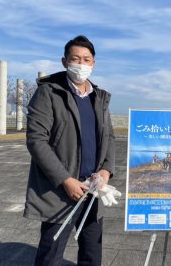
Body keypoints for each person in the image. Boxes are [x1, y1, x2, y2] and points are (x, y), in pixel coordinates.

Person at [24, 35, 116, 266]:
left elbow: (109, 137)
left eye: (86, 59)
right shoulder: (48, 93)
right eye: (75, 58)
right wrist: (65, 180)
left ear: (93, 63)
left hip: (93, 187)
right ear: (64, 62)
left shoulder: (99, 97)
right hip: (61, 191)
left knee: (92, 252)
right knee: (51, 253)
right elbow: (37, 140)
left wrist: (106, 170)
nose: (81, 64)